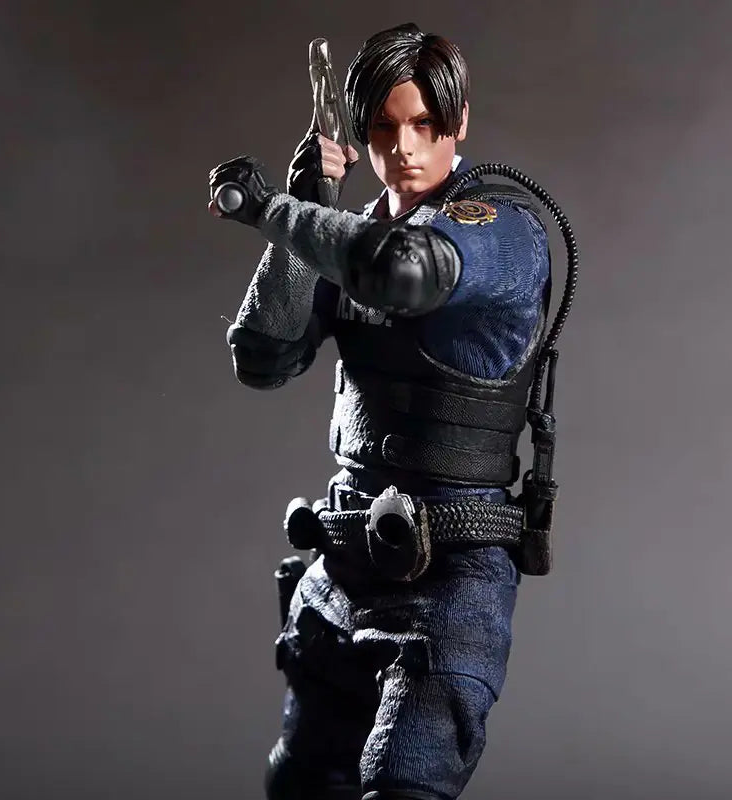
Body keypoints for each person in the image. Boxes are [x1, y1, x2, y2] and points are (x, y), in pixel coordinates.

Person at [208, 22, 551, 800]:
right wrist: (307, 208)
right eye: (385, 129)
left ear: (459, 122)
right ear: (361, 135)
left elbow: (404, 273)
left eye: (425, 123)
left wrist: (274, 212)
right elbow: (263, 359)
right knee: (302, 783)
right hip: (345, 562)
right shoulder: (352, 233)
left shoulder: (500, 229)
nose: (406, 147)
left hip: (448, 575)